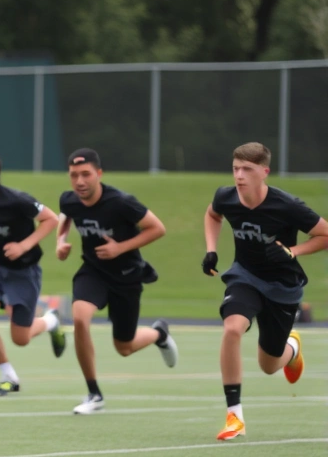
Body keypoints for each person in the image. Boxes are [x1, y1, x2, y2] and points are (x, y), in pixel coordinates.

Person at [203, 142, 327, 441]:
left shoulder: (287, 206)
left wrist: (292, 251)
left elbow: (324, 234)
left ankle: (292, 348)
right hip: (244, 276)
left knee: (269, 365)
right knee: (232, 328)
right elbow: (212, 215)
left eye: (247, 169)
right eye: (235, 169)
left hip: (282, 287)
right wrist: (210, 250)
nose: (239, 176)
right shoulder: (226, 197)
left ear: (264, 172)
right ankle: (235, 416)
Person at [56, 148, 179, 415]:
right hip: (93, 272)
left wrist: (120, 248)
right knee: (79, 317)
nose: (80, 181)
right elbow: (65, 215)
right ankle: (94, 393)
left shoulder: (122, 202)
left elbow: (157, 228)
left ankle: (159, 333)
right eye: (74, 175)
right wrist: (60, 241)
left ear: (98, 174)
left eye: (86, 174)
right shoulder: (69, 200)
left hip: (126, 276)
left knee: (124, 347)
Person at [0, 148, 65, 397]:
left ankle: (50, 321)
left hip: (23, 271)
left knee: (21, 338)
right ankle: (8, 375)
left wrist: (24, 245)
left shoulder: (17, 200)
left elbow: (51, 219)